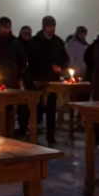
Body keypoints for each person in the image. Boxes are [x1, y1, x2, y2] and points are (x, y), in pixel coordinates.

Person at [28, 16, 70, 144]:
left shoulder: (58, 42)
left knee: (51, 108)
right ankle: (34, 134)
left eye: (53, 26)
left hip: (53, 80)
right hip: (38, 79)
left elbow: (65, 58)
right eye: (49, 26)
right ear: (44, 27)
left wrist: (61, 67)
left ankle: (50, 135)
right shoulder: (35, 42)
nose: (52, 29)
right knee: (37, 108)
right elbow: (31, 60)